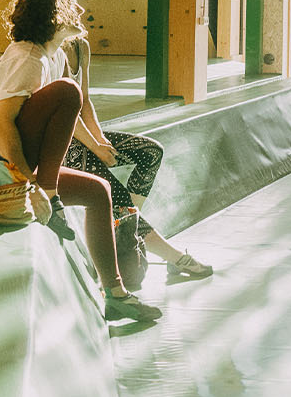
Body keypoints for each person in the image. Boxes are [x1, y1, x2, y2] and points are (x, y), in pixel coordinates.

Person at [0, 0, 162, 322]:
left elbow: (67, 114)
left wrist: (97, 145)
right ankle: (52, 194)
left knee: (99, 191)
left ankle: (116, 294)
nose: (80, 10)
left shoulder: (55, 57)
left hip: (3, 162)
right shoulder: (27, 57)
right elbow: (0, 124)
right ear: (55, 14)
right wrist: (34, 187)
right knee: (68, 92)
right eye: (72, 3)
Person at [59, 35, 214, 285]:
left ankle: (127, 230)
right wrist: (96, 147)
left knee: (150, 153)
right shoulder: (56, 49)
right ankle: (174, 257)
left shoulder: (82, 46)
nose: (79, 9)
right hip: (61, 143)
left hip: (84, 137)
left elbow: (84, 101)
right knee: (117, 196)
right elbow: (65, 113)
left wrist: (100, 139)